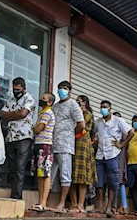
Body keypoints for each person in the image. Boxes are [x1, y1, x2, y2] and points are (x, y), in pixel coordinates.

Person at [92, 102, 133, 216]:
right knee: (98, 181)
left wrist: (122, 144)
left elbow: (131, 132)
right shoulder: (98, 122)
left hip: (113, 155)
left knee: (113, 181)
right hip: (100, 155)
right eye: (101, 107)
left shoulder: (118, 120)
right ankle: (100, 206)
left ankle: (109, 206)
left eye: (105, 107)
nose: (103, 109)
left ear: (110, 109)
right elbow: (95, 135)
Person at [0, 77, 36, 199]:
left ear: (24, 88)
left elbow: (23, 114)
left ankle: (16, 197)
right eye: (14, 89)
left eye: (18, 89)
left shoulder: (29, 99)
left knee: (20, 167)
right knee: (12, 168)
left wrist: (13, 114)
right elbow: (2, 115)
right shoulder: (10, 101)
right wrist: (16, 114)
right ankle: (13, 192)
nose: (16, 92)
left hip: (24, 137)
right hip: (10, 137)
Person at [51, 81, 85, 212]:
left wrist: (69, 133)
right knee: (49, 174)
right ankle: (46, 201)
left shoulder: (73, 105)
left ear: (69, 91)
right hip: (52, 143)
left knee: (65, 175)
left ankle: (61, 203)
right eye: (59, 88)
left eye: (64, 88)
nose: (61, 91)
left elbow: (81, 125)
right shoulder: (54, 107)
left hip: (65, 145)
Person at [69, 95, 97, 214]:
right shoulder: (73, 112)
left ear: (84, 103)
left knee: (82, 177)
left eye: (79, 102)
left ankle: (80, 204)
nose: (77, 103)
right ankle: (73, 203)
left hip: (83, 146)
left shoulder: (87, 114)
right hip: (71, 143)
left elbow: (81, 126)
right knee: (70, 175)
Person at [29, 92, 56, 212]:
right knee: (40, 174)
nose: (41, 100)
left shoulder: (47, 113)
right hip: (39, 144)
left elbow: (38, 129)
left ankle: (43, 202)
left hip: (45, 145)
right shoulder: (42, 113)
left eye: (44, 99)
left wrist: (34, 128)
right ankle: (40, 202)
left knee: (45, 173)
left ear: (49, 102)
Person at [112, 111, 129, 215]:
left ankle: (123, 206)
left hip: (120, 154)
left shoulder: (123, 130)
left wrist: (121, 144)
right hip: (110, 155)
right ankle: (114, 206)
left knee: (120, 180)